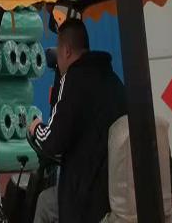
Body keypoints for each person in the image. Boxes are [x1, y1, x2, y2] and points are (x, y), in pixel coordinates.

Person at [28, 18, 126, 223]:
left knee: (44, 202)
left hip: (87, 195)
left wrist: (36, 128)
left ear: (66, 51)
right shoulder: (113, 80)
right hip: (115, 186)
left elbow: (53, 141)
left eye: (58, 51)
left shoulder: (73, 80)